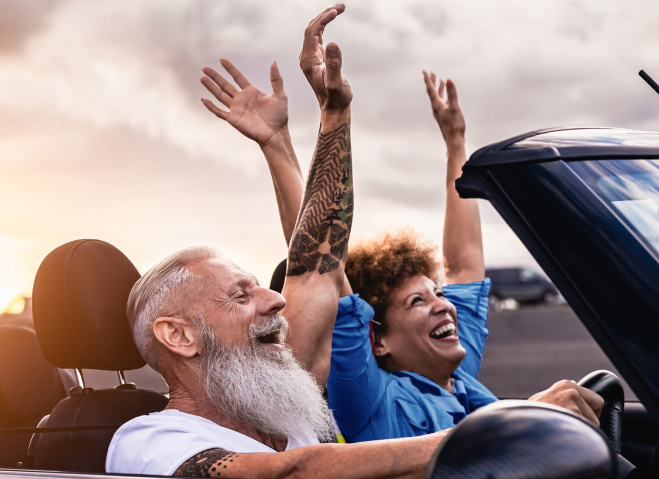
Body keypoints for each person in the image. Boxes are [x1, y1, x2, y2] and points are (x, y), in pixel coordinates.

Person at [192, 4, 603, 444]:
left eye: (436, 294)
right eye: (416, 303)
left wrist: (456, 144)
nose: (443, 306)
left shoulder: (459, 372)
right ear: (378, 341)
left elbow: (464, 266)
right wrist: (279, 144)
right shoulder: (370, 397)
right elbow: (321, 265)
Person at [107, 5, 446, 479]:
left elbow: (318, 269)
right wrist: (491, 433)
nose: (276, 297)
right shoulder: (150, 443)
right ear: (179, 336)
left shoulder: (281, 410)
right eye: (240, 295)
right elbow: (292, 476)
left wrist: (334, 116)